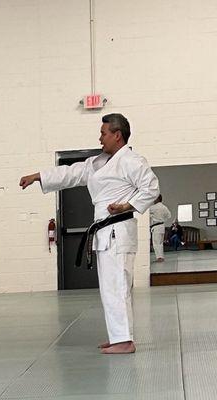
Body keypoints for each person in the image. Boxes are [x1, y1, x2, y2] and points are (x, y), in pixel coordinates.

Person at [19, 113, 159, 354]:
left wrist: (127, 205)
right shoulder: (99, 163)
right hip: (106, 233)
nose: (100, 137)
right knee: (110, 288)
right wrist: (38, 176)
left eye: (103, 133)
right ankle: (119, 337)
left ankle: (124, 341)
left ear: (117, 135)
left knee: (117, 286)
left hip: (118, 231)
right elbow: (71, 173)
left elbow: (152, 188)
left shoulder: (132, 161)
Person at [149, 195, 172, 262]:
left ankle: (159, 258)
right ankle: (161, 257)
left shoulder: (153, 207)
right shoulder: (164, 207)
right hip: (162, 226)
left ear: (157, 199)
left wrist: (154, 217)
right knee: (160, 243)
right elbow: (169, 215)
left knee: (156, 243)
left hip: (156, 226)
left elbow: (145, 213)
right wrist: (162, 218)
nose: (153, 200)